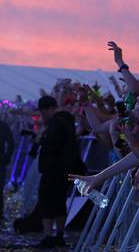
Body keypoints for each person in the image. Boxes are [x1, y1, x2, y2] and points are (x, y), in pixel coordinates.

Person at [35, 96, 81, 248]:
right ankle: (59, 235)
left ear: (49, 109)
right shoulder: (67, 121)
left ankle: (49, 236)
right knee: (60, 203)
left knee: (46, 203)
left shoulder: (57, 122)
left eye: (42, 112)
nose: (42, 116)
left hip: (53, 169)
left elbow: (53, 145)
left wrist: (41, 139)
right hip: (65, 169)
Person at [0, 119, 14, 222]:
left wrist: (6, 157)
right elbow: (11, 143)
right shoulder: (3, 125)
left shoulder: (3, 125)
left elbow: (11, 143)